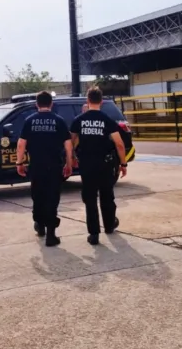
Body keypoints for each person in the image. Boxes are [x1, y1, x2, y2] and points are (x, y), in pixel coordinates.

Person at [70, 87, 128, 246]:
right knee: (107, 196)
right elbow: (119, 144)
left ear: (87, 101)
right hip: (105, 164)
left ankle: (94, 234)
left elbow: (71, 141)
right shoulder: (107, 120)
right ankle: (109, 225)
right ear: (101, 102)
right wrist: (123, 164)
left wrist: (72, 157)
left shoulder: (79, 120)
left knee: (90, 199)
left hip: (87, 165)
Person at [16, 91, 74, 247]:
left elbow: (21, 144)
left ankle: (40, 225)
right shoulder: (59, 121)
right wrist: (69, 164)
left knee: (38, 196)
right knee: (52, 198)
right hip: (54, 166)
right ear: (51, 104)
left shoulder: (29, 121)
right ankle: (51, 234)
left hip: (36, 166)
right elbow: (68, 145)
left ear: (37, 104)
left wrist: (19, 162)